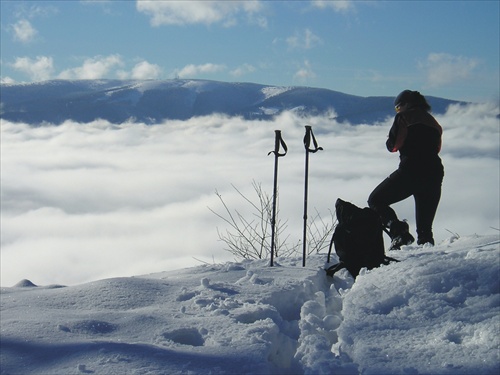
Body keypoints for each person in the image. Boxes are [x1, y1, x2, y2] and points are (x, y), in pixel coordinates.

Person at [368, 90, 444, 249]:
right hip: (434, 172)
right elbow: (437, 148)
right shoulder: (433, 122)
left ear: (407, 104)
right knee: (425, 229)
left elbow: (394, 145)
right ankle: (430, 256)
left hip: (411, 170)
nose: (397, 110)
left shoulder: (404, 118)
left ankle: (398, 232)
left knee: (376, 200)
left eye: (398, 107)